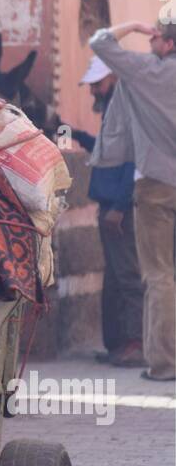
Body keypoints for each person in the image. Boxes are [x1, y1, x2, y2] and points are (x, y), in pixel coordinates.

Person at [89, 18, 176, 383]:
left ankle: (165, 363)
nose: (150, 41)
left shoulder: (149, 73)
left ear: (168, 44)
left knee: (159, 275)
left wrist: (134, 26)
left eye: (156, 36)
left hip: (157, 185)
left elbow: (101, 43)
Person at [74, 56, 143, 366]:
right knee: (115, 277)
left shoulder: (127, 109)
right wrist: (74, 134)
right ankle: (118, 344)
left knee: (128, 276)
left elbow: (134, 161)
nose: (93, 92)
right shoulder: (113, 110)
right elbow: (106, 151)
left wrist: (119, 206)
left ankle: (136, 344)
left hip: (120, 209)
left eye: (97, 85)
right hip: (111, 206)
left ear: (114, 77)